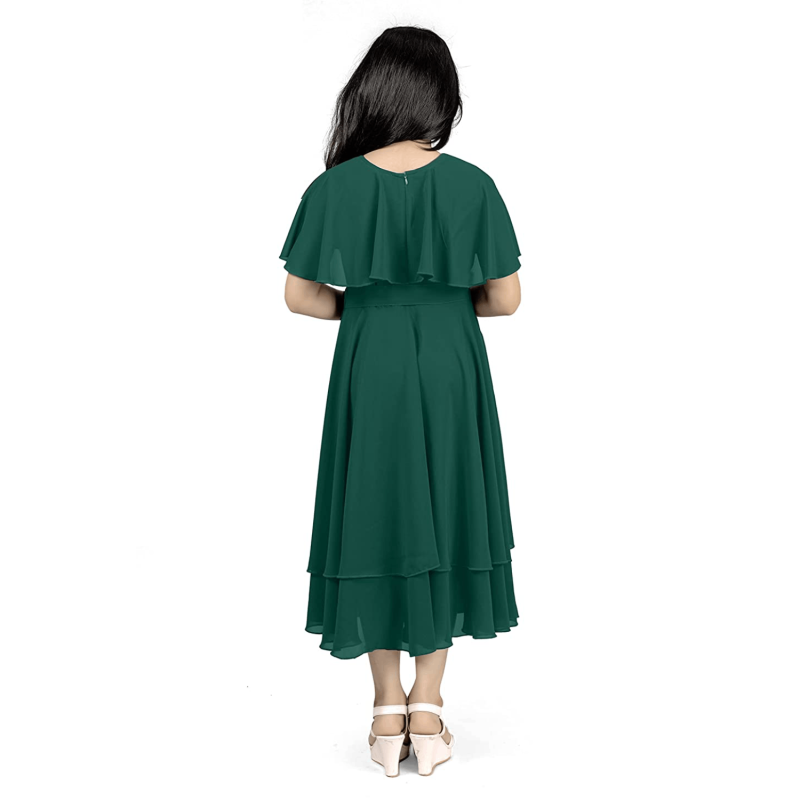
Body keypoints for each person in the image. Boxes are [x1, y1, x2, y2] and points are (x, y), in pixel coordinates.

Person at [279, 25, 522, 777]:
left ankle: (388, 713)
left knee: (374, 513)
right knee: (446, 508)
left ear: (371, 92)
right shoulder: (473, 186)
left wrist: (369, 310)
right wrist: (442, 305)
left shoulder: (333, 188)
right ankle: (430, 704)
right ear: (441, 97)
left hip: (370, 363)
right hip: (451, 364)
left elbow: (301, 295)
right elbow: (505, 299)